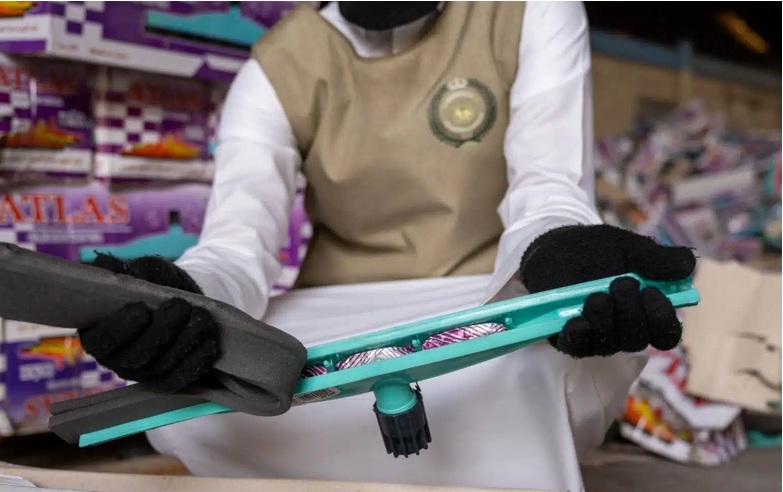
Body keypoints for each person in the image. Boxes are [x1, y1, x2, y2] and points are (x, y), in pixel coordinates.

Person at [78, 2, 696, 491]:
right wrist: (182, 294)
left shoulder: (526, 11)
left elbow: (549, 185)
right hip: (340, 310)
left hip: (488, 295)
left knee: (538, 359)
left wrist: (556, 255)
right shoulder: (277, 67)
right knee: (205, 390)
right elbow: (237, 245)